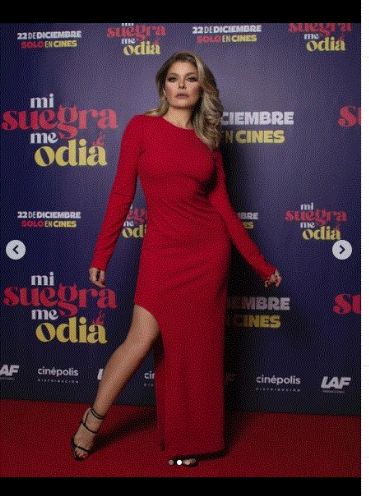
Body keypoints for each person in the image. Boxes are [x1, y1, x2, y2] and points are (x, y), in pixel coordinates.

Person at [70, 51, 282, 467]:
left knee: (197, 354)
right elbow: (121, 193)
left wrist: (260, 264)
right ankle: (91, 422)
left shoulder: (207, 142)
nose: (181, 85)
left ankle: (189, 441)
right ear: (163, 86)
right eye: (173, 78)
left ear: (202, 88)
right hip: (161, 253)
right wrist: (102, 254)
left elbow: (224, 209)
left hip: (207, 255)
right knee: (139, 340)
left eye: (190, 78)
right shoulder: (141, 127)